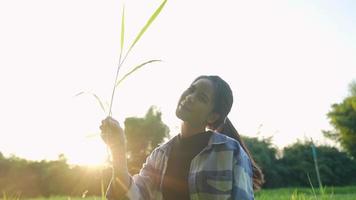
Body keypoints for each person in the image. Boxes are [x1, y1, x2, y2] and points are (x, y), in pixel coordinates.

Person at [100, 75, 264, 200]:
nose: (190, 97)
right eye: (191, 89)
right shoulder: (159, 156)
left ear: (213, 116)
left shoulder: (230, 152)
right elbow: (131, 196)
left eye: (201, 98)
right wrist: (118, 148)